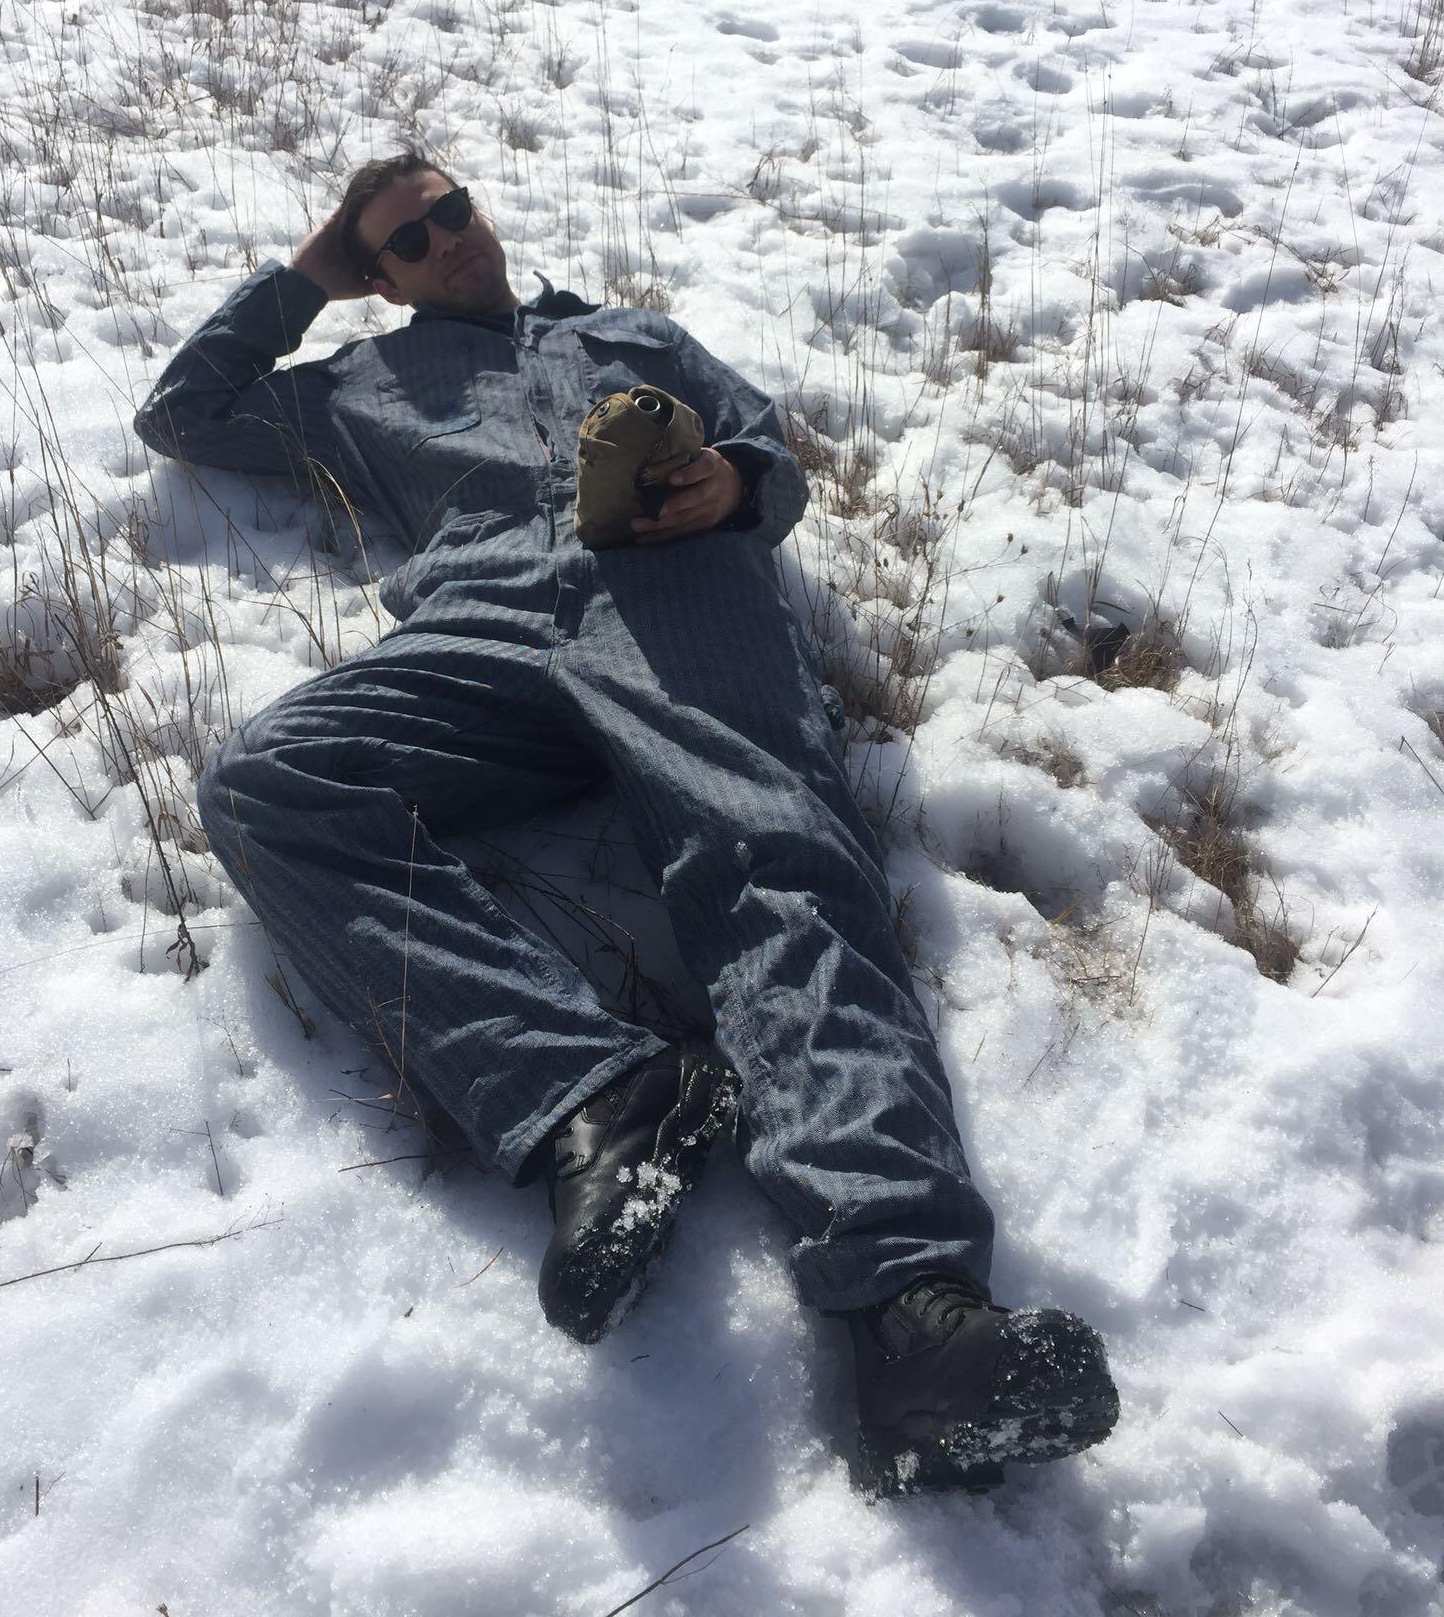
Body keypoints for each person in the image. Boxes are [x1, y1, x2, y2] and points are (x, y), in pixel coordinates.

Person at [133, 149, 1119, 1495]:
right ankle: (595, 1100)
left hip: (679, 605)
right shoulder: (359, 388)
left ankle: (914, 1320)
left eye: (452, 209)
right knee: (269, 780)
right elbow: (185, 412)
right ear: (381, 278)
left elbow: (764, 448)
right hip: (485, 626)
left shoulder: (632, 338)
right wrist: (306, 278)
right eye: (407, 240)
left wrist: (732, 486)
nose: (445, 237)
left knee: (779, 873)